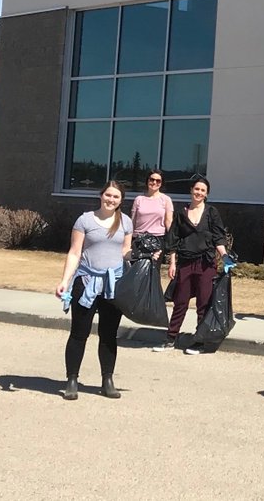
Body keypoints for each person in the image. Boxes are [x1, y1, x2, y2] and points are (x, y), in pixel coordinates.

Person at [55, 180, 132, 400]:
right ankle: (72, 379)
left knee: (109, 335)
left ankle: (107, 380)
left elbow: (125, 251)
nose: (111, 200)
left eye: (116, 197)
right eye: (108, 195)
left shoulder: (125, 222)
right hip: (86, 281)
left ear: (120, 200)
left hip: (113, 285)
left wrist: (141, 254)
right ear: (101, 195)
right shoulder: (85, 220)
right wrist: (64, 281)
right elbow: (74, 252)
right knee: (79, 333)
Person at [156, 176, 235, 354]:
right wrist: (173, 263)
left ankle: (199, 341)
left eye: (203, 191)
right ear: (191, 190)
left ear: (206, 194)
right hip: (185, 262)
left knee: (203, 303)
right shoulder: (181, 213)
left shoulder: (211, 212)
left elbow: (218, 237)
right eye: (197, 189)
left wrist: (224, 256)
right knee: (180, 302)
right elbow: (173, 239)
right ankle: (170, 338)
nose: (199, 193)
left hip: (206, 263)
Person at [130, 171, 174, 261]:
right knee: (137, 271)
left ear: (161, 183)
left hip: (157, 240)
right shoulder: (139, 199)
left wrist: (172, 241)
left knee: (154, 271)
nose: (154, 183)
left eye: (158, 181)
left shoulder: (166, 200)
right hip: (139, 239)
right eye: (152, 179)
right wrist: (130, 240)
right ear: (147, 181)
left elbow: (168, 222)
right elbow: (133, 221)